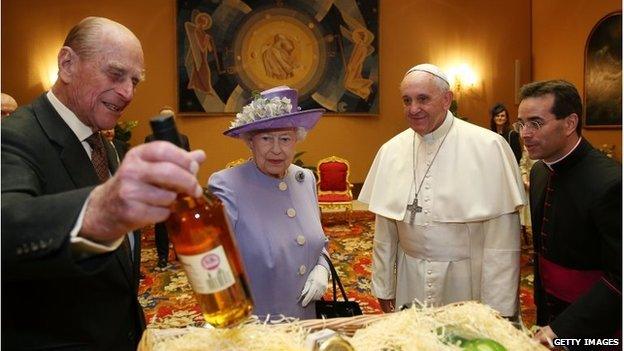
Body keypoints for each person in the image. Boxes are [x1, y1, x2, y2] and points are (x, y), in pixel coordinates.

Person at [1, 17, 205, 350]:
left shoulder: (104, 145)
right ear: (67, 64)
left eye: (135, 81)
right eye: (115, 74)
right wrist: (101, 210)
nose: (128, 93)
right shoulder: (13, 138)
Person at [359, 64, 525, 317]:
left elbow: (501, 239)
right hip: (409, 277)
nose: (413, 109)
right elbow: (385, 230)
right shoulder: (391, 150)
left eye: (423, 99)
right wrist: (384, 286)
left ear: (447, 99)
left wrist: (498, 307)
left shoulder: (489, 146)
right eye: (407, 100)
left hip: (467, 280)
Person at [208, 86, 329, 319]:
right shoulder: (227, 185)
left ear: (296, 140)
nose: (277, 149)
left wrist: (323, 268)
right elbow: (214, 262)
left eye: (285, 139)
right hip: (258, 327)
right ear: (250, 142)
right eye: (266, 138)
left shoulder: (305, 179)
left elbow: (319, 240)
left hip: (306, 322)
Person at [516, 80, 621, 346]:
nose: (525, 133)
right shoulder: (540, 171)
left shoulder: (612, 182)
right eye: (522, 123)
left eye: (536, 123)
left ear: (570, 123)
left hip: (599, 323)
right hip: (550, 312)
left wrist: (563, 329)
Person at [145, 106, 191, 269]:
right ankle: (162, 257)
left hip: (179, 187)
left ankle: (181, 254)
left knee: (180, 222)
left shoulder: (183, 139)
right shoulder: (150, 139)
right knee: (161, 224)